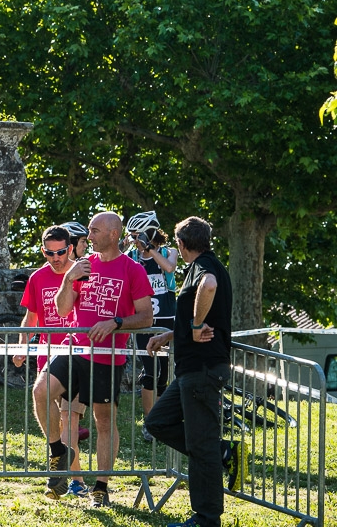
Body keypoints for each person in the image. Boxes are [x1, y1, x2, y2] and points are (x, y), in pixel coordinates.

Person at [43, 211, 153, 508]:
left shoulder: (132, 270)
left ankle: (101, 487)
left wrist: (116, 323)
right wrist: (68, 279)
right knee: (41, 391)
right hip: (74, 349)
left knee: (103, 422)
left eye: (93, 231)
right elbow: (64, 310)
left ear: (113, 234)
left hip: (107, 356)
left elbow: (146, 316)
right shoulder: (83, 266)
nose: (87, 237)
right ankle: (58, 451)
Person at [145, 216, 235, 527]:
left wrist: (195, 327)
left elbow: (208, 287)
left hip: (202, 369)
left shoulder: (204, 268)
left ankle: (206, 519)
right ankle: (220, 450)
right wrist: (172, 333)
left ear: (182, 245)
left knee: (201, 447)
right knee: (157, 421)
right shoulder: (205, 264)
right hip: (191, 370)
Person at [16, 225, 87, 497]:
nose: (55, 258)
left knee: (69, 420)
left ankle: (74, 481)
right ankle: (64, 466)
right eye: (49, 253)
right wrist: (22, 347)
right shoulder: (37, 278)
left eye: (60, 252)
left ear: (70, 248)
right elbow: (31, 318)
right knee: (56, 422)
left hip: (78, 355)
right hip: (47, 359)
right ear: (43, 251)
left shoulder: (82, 274)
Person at [125, 210, 177, 435]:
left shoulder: (168, 251)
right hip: (143, 321)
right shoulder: (131, 257)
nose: (136, 240)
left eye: (139, 235)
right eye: (133, 236)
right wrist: (124, 243)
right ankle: (148, 422)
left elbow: (169, 267)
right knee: (150, 371)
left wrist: (150, 249)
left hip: (166, 320)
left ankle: (160, 418)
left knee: (163, 373)